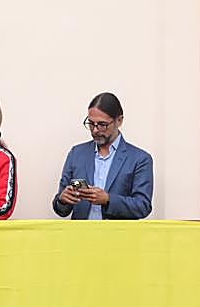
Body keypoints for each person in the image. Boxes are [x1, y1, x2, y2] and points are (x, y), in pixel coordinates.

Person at [52, 92, 153, 220]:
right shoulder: (76, 154)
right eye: (91, 123)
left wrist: (108, 200)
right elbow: (60, 209)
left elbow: (143, 206)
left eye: (102, 125)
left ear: (119, 121)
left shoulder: (140, 159)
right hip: (80, 237)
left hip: (119, 238)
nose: (95, 130)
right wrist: (62, 200)